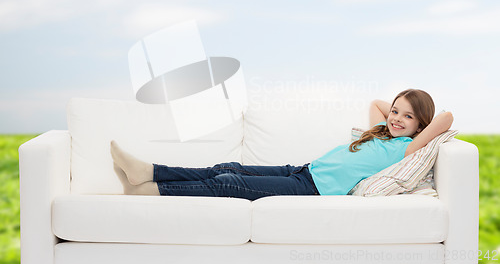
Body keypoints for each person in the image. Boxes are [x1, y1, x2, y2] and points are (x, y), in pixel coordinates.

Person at [111, 89, 453, 200]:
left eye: (407, 117)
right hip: (303, 170)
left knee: (230, 184)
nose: (395, 118)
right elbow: (378, 104)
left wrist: (417, 122)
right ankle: (150, 171)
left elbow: (446, 118)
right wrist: (394, 111)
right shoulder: (380, 131)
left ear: (420, 126)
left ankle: (154, 190)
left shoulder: (405, 148)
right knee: (226, 168)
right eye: (396, 112)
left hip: (313, 189)